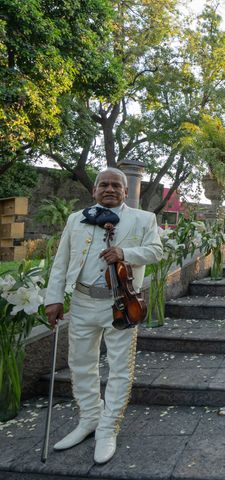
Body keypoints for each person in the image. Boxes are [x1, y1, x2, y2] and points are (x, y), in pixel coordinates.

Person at [45, 168, 163, 464]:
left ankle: (108, 428)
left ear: (125, 191)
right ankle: (89, 419)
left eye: (116, 185)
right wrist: (54, 299)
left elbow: (155, 251)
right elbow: (61, 263)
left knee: (120, 367)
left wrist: (125, 253)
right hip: (83, 303)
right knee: (81, 364)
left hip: (121, 303)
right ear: (94, 190)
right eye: (104, 185)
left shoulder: (143, 219)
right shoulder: (76, 219)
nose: (109, 189)